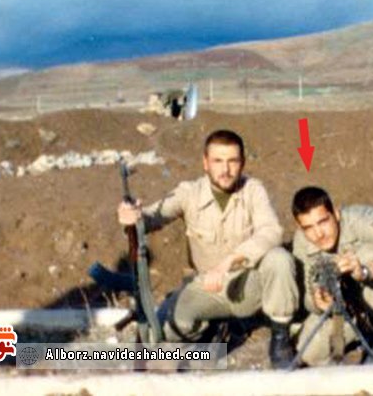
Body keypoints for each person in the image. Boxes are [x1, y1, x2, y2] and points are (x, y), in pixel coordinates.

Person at [117, 129, 298, 368]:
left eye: (232, 161)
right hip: (207, 288)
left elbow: (271, 231)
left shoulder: (254, 190)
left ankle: (281, 338)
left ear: (242, 163)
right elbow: (153, 216)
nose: (225, 169)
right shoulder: (189, 193)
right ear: (205, 163)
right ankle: (212, 328)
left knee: (279, 258)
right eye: (218, 161)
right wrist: (133, 216)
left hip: (247, 284)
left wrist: (229, 262)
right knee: (165, 329)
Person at [291, 186, 373, 366]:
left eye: (323, 222)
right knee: (309, 353)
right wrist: (319, 301)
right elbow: (308, 295)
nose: (318, 234)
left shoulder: (361, 219)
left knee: (368, 253)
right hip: (347, 305)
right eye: (308, 228)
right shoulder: (302, 242)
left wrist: (364, 271)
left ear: (336, 214)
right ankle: (360, 335)